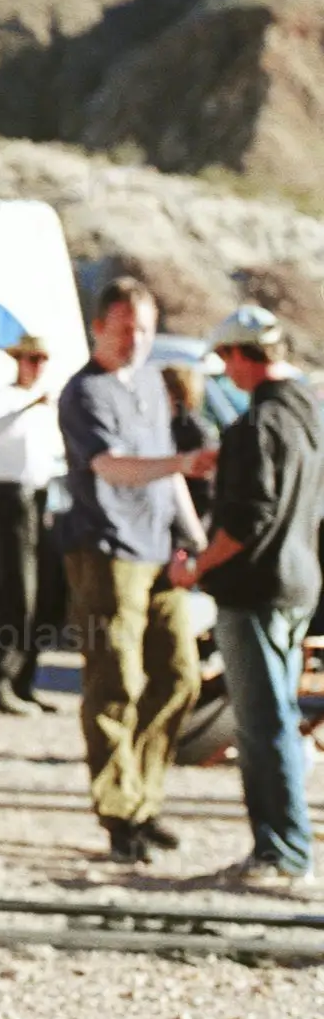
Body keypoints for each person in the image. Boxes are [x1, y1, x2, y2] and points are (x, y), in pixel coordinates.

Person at [55, 277, 213, 864]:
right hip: (105, 551)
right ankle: (121, 815)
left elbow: (168, 476)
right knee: (114, 683)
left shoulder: (150, 381)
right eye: (124, 330)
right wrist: (184, 462)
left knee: (180, 677)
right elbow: (113, 468)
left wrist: (195, 540)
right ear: (99, 328)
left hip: (156, 549)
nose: (136, 341)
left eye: (144, 330)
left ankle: (143, 797)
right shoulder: (84, 393)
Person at [182, 307, 322, 893]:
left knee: (263, 725)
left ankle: (283, 852)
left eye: (227, 360)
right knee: (276, 719)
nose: (225, 373)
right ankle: (282, 847)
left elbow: (246, 519)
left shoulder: (253, 426)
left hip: (257, 589)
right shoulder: (311, 410)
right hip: (299, 583)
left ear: (243, 355)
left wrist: (196, 565)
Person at [0, 333, 61, 713]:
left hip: (39, 498)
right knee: (17, 593)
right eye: (31, 359)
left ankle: (23, 680)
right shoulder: (5, 398)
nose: (37, 367)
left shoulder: (43, 406)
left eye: (42, 360)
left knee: (44, 596)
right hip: (10, 498)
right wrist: (29, 405)